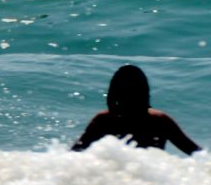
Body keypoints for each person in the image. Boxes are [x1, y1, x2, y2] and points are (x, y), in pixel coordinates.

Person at [72, 64, 200, 154]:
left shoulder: (104, 120)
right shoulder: (159, 120)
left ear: (114, 92)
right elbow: (195, 153)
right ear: (144, 92)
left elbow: (73, 155)